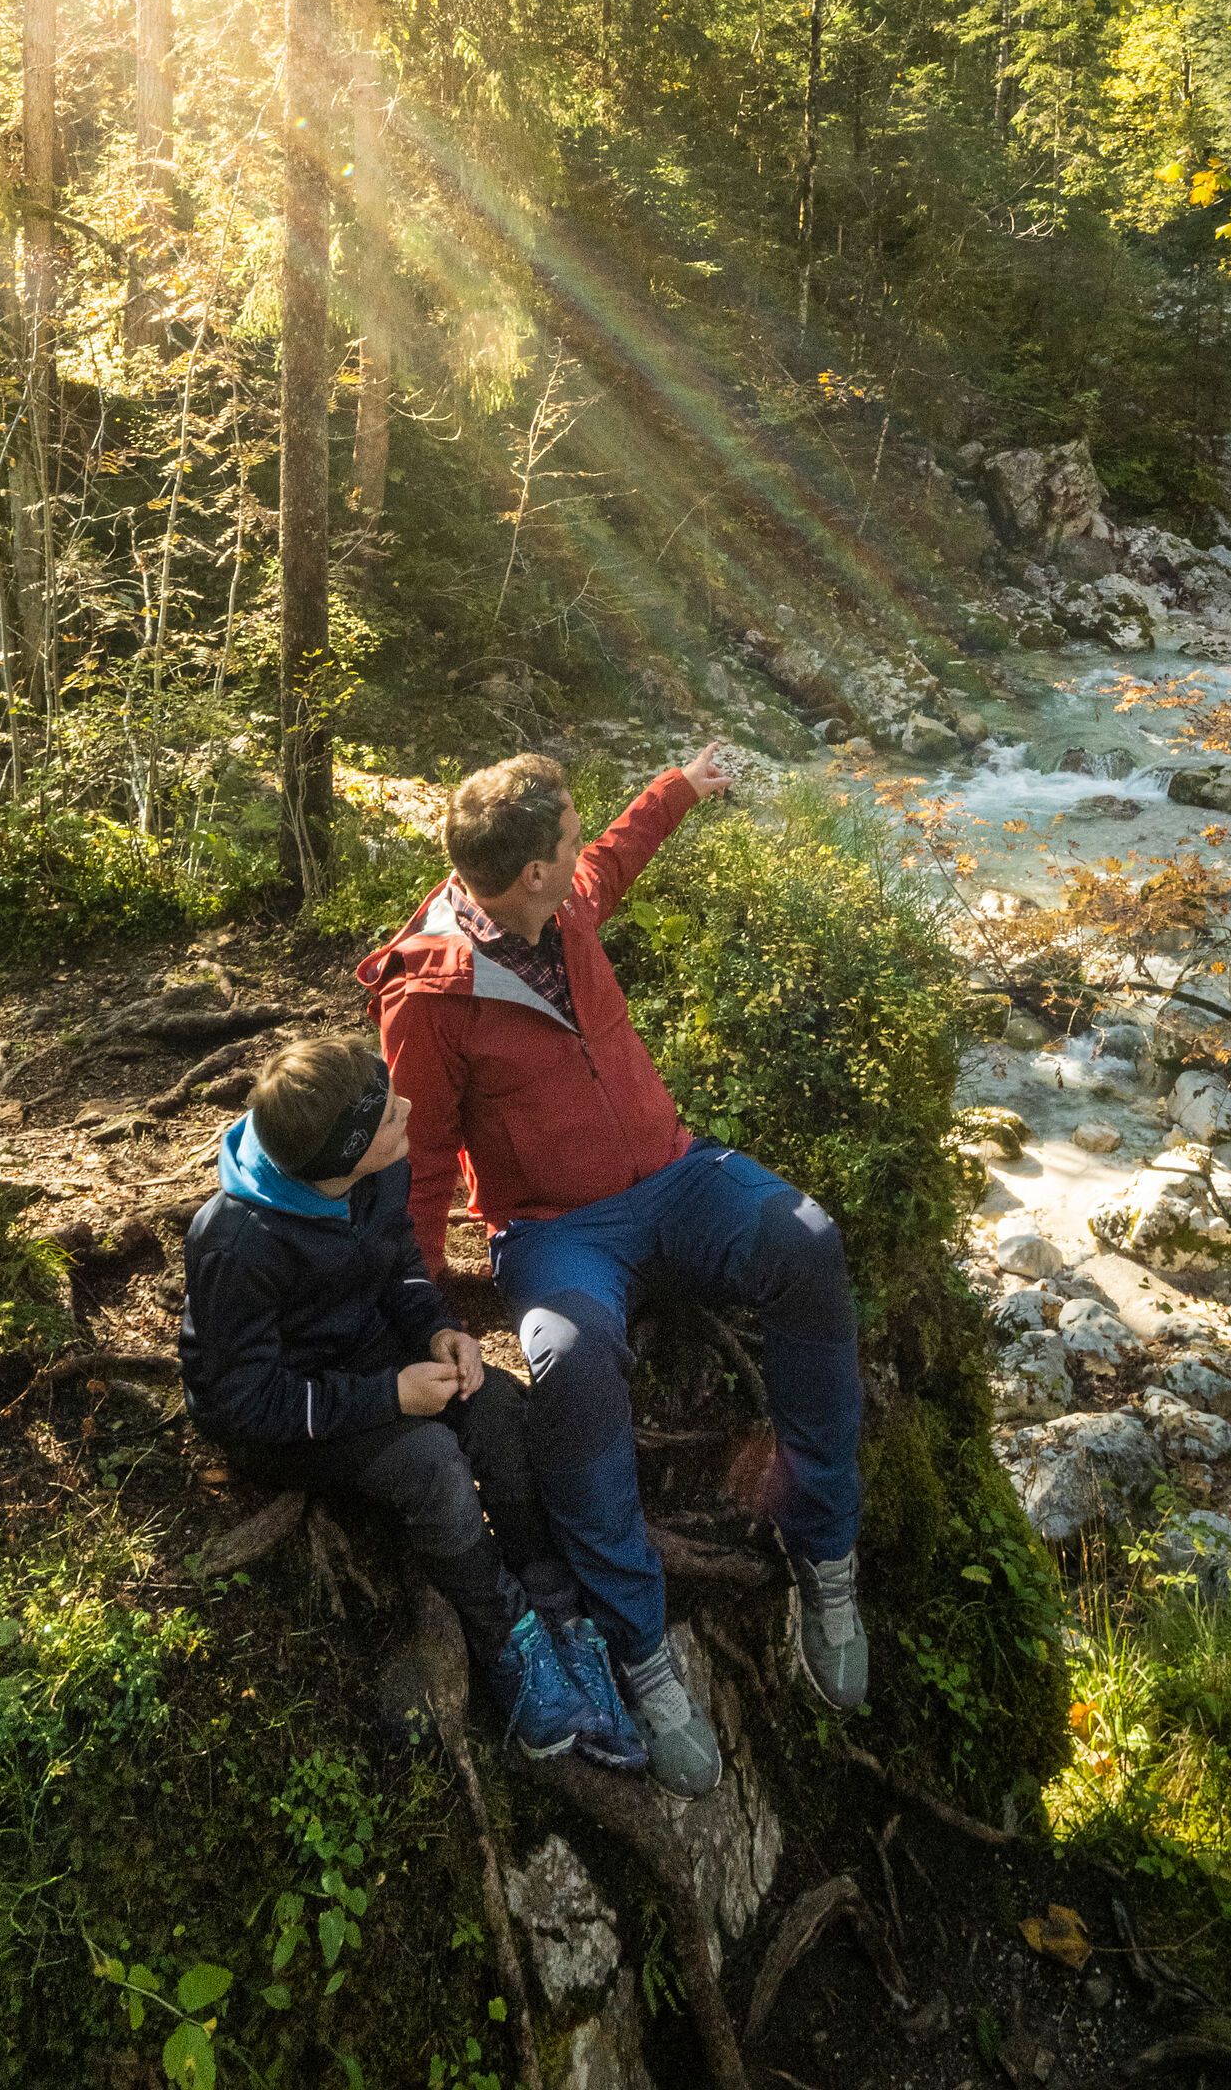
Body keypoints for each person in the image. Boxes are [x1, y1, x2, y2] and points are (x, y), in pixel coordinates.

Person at [355, 746, 866, 1800]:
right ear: (529, 871)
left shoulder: (563, 901)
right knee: (574, 1364)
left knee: (807, 1241)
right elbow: (420, 1165)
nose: (580, 847)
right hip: (557, 1232)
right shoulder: (430, 997)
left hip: (675, 1178)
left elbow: (615, 858)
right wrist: (422, 1309)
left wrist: (679, 787)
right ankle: (640, 1648)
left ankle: (826, 1547)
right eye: (567, 837)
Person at [179, 1033, 645, 1770]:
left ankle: (556, 1603)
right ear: (344, 1154)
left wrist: (437, 1331)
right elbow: (242, 1401)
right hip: (286, 1416)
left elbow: (399, 1265)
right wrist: (388, 1395)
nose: (407, 1107)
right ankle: (506, 1637)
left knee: (496, 1406)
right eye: (387, 1113)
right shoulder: (237, 1244)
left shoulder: (378, 1172)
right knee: (429, 1461)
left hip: (367, 1358)